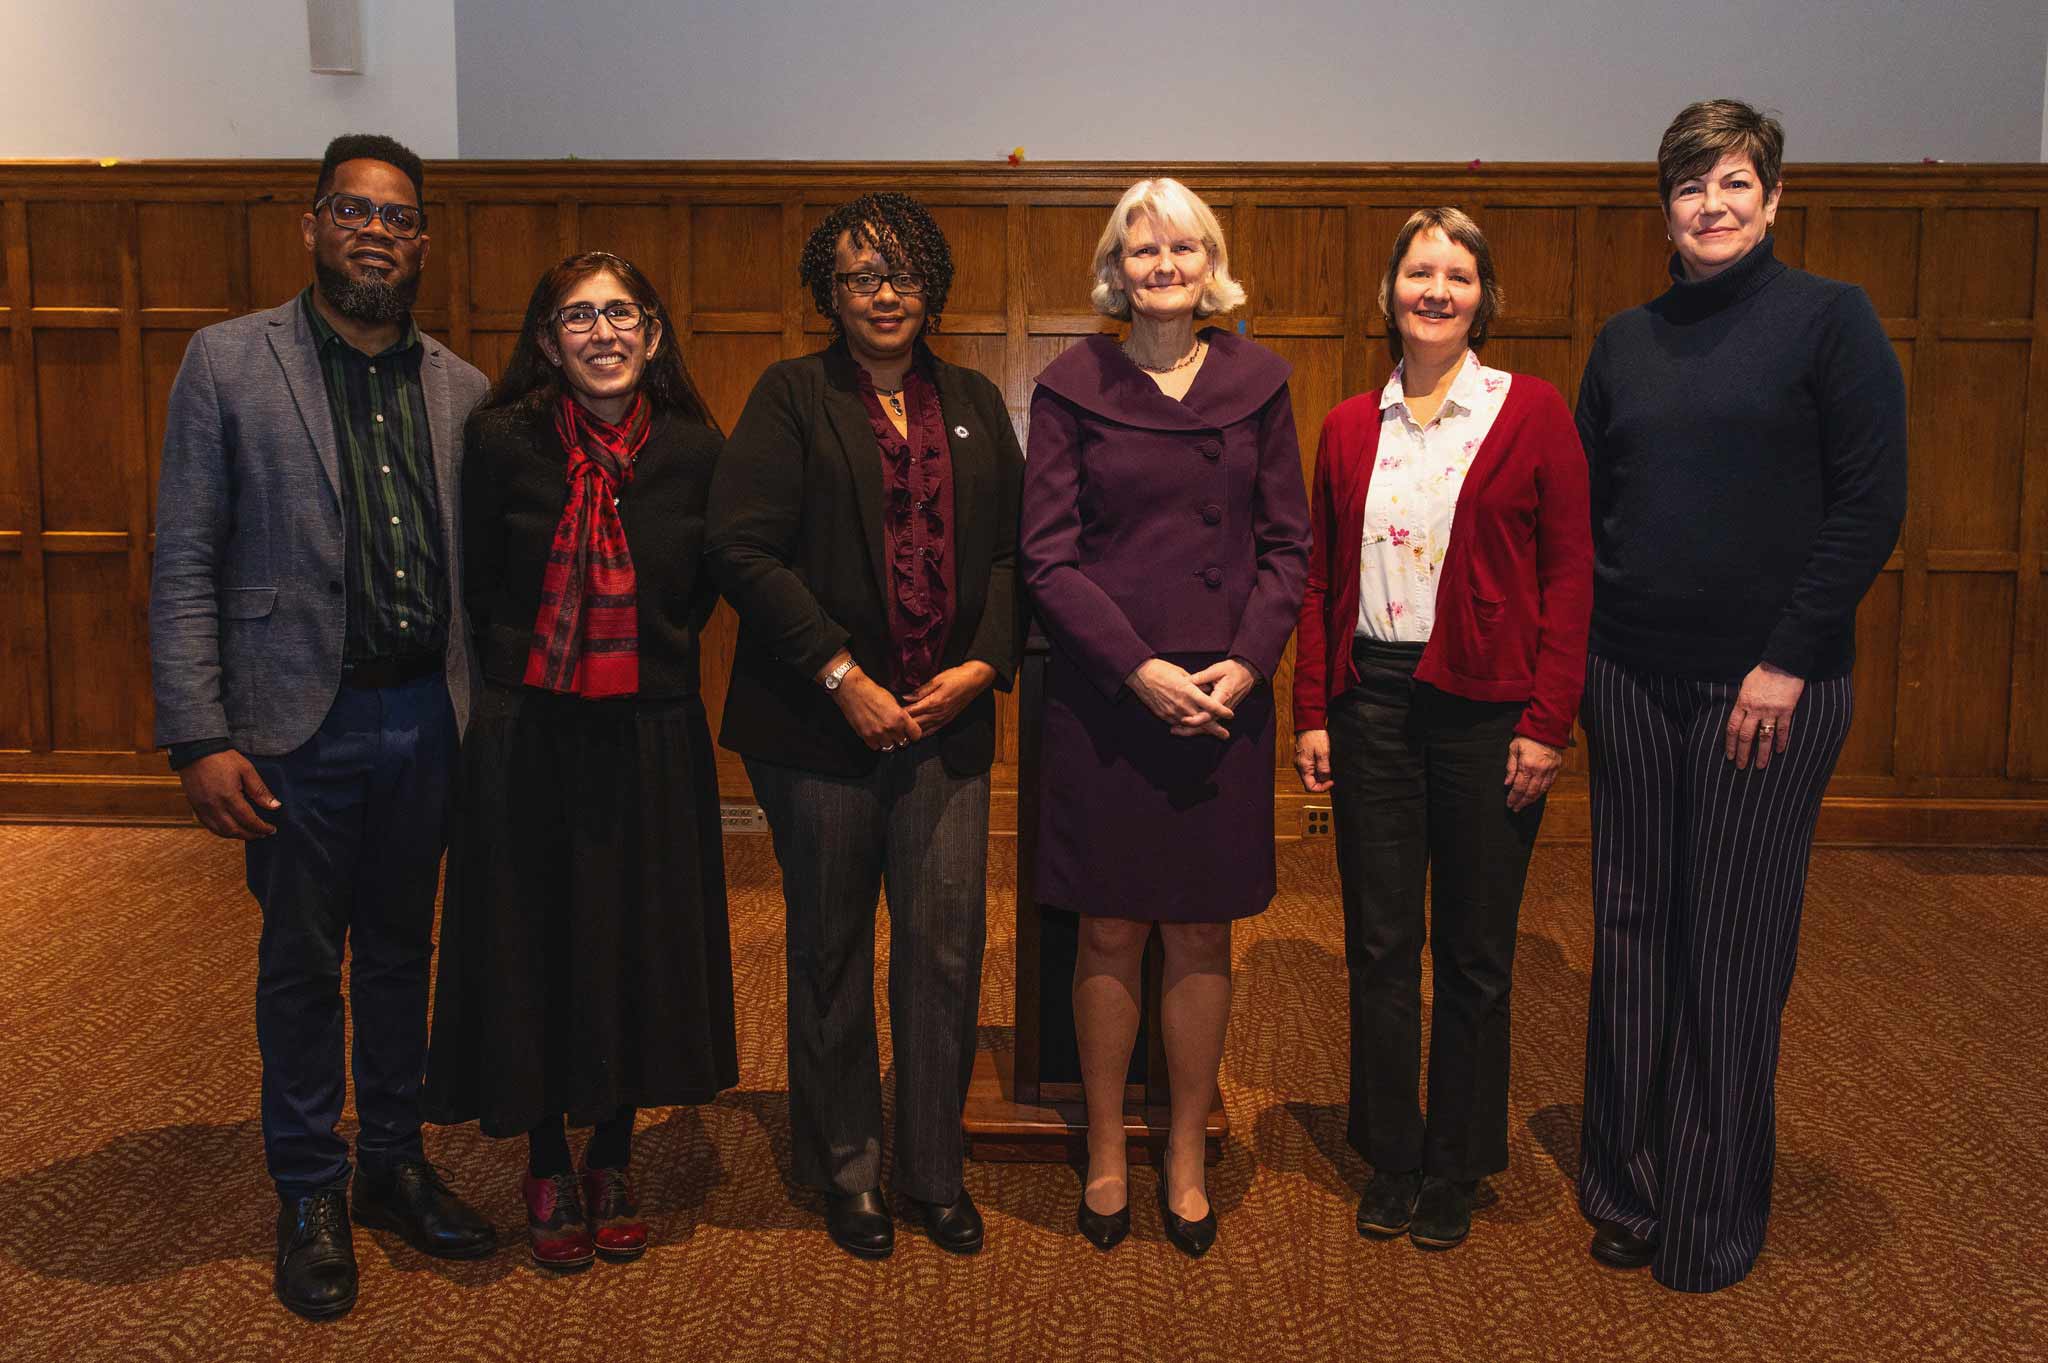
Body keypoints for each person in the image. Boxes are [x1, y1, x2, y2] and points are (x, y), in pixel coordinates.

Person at [149, 134, 496, 1320]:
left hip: (426, 719)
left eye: (397, 218)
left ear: (421, 244)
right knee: (302, 964)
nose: (375, 233)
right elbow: (186, 556)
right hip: (294, 725)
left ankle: (391, 1162)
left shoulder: (460, 387)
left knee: (404, 951)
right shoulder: (227, 362)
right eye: (352, 210)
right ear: (311, 225)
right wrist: (199, 734)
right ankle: (308, 1186)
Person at [1573, 100, 1907, 1292]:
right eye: (1687, 186)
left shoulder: (1829, 322)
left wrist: (1783, 659)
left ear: (1771, 197)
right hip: (1625, 676)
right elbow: (1588, 510)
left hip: (1766, 686)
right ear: (1660, 207)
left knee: (1728, 947)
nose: (1709, 206)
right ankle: (1625, 1187)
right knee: (1628, 931)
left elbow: (1868, 506)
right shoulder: (1624, 342)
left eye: (1732, 183)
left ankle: (1709, 1214)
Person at [707, 192, 1023, 1261]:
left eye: (901, 272)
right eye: (858, 276)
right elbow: (742, 549)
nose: (883, 292)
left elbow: (1011, 558)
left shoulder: (976, 398)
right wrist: (841, 673)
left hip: (945, 726)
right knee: (831, 949)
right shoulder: (790, 397)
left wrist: (983, 664)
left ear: (930, 285)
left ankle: (932, 1169)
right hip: (817, 729)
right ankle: (845, 1168)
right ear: (828, 295)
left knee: (941, 953)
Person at [421, 252, 737, 1270]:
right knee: (533, 942)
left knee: (633, 943)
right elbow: (475, 586)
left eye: (620, 314)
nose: (601, 333)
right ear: (548, 341)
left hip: (649, 732)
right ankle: (546, 1154)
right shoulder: (500, 442)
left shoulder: (694, 447)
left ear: (650, 332)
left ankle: (612, 1151)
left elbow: (699, 592)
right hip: (528, 732)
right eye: (576, 316)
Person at [1291, 208, 1592, 1252]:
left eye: (1455, 274)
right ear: (1389, 292)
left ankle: (1456, 1162)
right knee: (1379, 945)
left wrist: (1546, 722)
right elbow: (1317, 575)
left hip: (1488, 713)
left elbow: (1567, 574)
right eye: (1417, 271)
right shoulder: (1344, 425)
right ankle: (1391, 1153)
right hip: (1369, 703)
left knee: (1473, 950)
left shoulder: (1532, 411)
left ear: (1482, 297)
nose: (1434, 289)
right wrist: (1311, 709)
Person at [1019, 178, 1309, 1258]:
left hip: (1223, 700)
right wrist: (1136, 666)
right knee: (1106, 925)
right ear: (1114, 266)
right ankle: (1104, 1144)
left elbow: (1289, 548)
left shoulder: (1257, 381)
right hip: (1110, 696)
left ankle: (1183, 1147)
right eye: (1142, 250)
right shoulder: (1070, 383)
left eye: (1182, 248)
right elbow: (1045, 554)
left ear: (1209, 262)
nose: (1163, 265)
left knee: (1198, 926)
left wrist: (1244, 664)